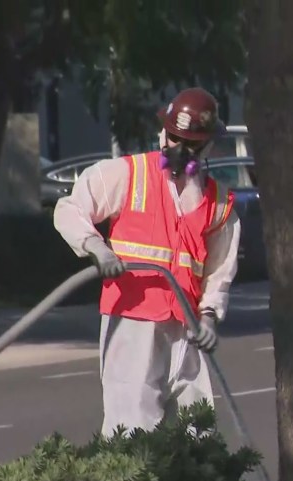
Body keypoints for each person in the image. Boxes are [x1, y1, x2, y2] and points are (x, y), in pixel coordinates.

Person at [52, 87, 241, 438]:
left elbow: (219, 271)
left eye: (191, 143)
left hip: (187, 329)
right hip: (132, 323)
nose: (180, 149)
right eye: (174, 138)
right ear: (163, 134)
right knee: (132, 433)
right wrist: (96, 247)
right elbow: (71, 209)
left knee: (195, 435)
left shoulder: (218, 203)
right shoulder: (128, 174)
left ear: (208, 146)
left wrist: (210, 316)